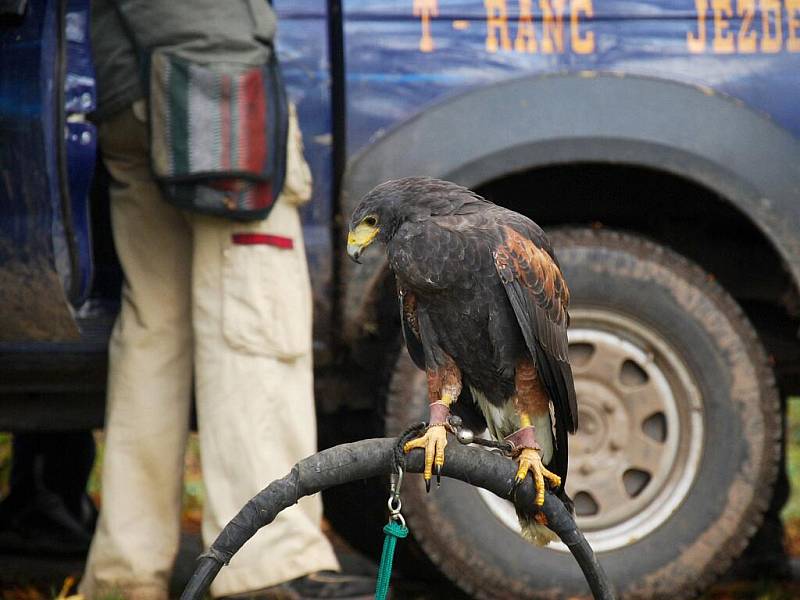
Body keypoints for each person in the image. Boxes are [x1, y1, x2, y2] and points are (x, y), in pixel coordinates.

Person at [80, 2, 374, 598]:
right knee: (255, 318)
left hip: (126, 85)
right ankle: (268, 565)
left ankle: (125, 573)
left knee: (152, 333)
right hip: (213, 74)